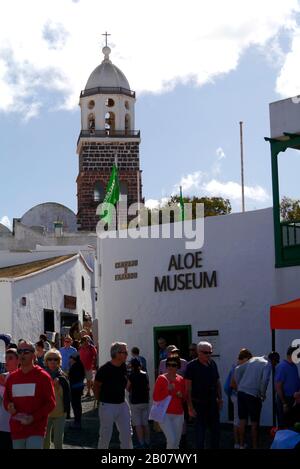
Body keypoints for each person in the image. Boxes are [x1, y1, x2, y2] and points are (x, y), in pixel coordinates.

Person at [3, 340, 56, 449]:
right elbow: (6, 400)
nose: (22, 354)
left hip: (36, 429)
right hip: (17, 429)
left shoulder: (43, 377)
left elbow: (51, 403)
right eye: (19, 351)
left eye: (26, 351)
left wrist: (33, 417)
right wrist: (9, 406)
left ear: (34, 354)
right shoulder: (11, 378)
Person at [93, 342, 132, 449]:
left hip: (122, 403)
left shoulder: (124, 366)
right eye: (125, 352)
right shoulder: (104, 369)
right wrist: (101, 401)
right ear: (117, 354)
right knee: (105, 435)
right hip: (107, 405)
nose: (127, 354)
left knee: (127, 434)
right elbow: (96, 387)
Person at [185, 341, 223, 449]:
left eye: (210, 352)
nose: (208, 355)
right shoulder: (191, 366)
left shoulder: (213, 364)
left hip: (212, 403)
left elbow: (217, 382)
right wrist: (190, 407)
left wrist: (220, 399)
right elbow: (188, 388)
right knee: (200, 434)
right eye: (205, 352)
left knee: (216, 432)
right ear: (198, 352)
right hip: (199, 404)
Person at [234, 354, 271, 449]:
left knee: (242, 420)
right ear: (274, 360)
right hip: (253, 394)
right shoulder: (267, 364)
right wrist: (262, 394)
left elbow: (237, 369)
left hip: (241, 392)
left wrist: (240, 385)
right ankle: (255, 446)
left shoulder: (253, 359)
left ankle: (241, 445)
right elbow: (265, 380)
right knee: (254, 422)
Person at [153, 355, 186, 449]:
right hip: (164, 414)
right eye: (168, 365)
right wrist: (167, 390)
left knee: (176, 442)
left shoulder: (181, 379)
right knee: (171, 440)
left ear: (178, 367)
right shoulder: (161, 378)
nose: (170, 367)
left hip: (178, 414)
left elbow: (184, 398)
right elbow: (155, 397)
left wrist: (181, 395)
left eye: (173, 365)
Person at [225, 348, 252, 449]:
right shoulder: (240, 367)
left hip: (234, 396)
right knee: (241, 421)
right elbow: (233, 384)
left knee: (236, 421)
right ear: (245, 358)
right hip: (239, 397)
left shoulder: (235, 366)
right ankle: (241, 444)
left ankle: (237, 443)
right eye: (249, 359)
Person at [44, 349, 70, 449]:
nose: (53, 361)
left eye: (55, 359)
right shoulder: (42, 376)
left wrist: (58, 387)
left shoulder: (63, 376)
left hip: (59, 413)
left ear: (59, 361)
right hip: (45, 413)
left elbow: (67, 396)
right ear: (46, 361)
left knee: (58, 442)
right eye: (50, 359)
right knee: (45, 442)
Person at [127, 358, 150, 448]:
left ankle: (141, 443)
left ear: (132, 366)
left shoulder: (131, 376)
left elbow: (128, 388)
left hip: (135, 401)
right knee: (145, 423)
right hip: (144, 400)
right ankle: (147, 442)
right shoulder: (145, 375)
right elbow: (148, 387)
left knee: (138, 424)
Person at [275, 346, 300, 428]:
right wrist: (284, 403)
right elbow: (278, 386)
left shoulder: (294, 367)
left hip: (294, 399)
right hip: (285, 399)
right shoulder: (282, 366)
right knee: (284, 424)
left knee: (292, 423)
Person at [0, 348, 19, 449]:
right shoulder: (2, 377)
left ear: (18, 360)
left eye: (10, 358)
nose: (6, 361)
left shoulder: (22, 378)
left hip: (16, 426)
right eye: (6, 358)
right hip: (2, 424)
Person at [68, 353, 85, 429]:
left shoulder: (75, 366)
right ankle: (78, 422)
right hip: (79, 387)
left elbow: (72, 377)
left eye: (70, 358)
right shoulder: (80, 365)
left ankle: (77, 423)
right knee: (78, 405)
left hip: (74, 388)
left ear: (73, 359)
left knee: (76, 406)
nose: (69, 359)